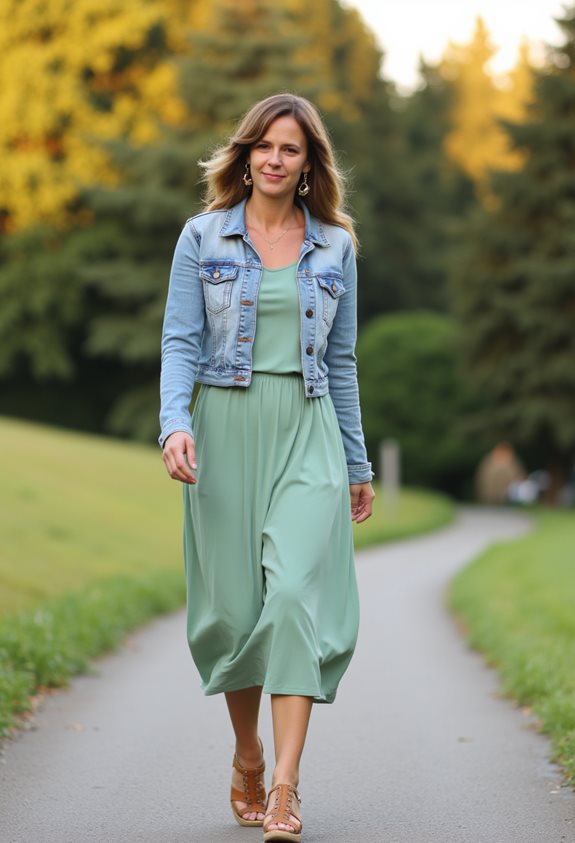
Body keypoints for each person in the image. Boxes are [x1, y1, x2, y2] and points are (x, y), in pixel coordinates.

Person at [159, 93, 374, 842]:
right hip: (223, 427)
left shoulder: (336, 246)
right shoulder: (202, 237)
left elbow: (341, 361)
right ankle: (246, 754)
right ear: (246, 155)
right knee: (231, 613)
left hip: (307, 429)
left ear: (310, 164)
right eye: (264, 146)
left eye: (291, 149)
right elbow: (180, 342)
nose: (275, 159)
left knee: (290, 600)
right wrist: (174, 425)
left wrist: (356, 461)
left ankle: (283, 786)